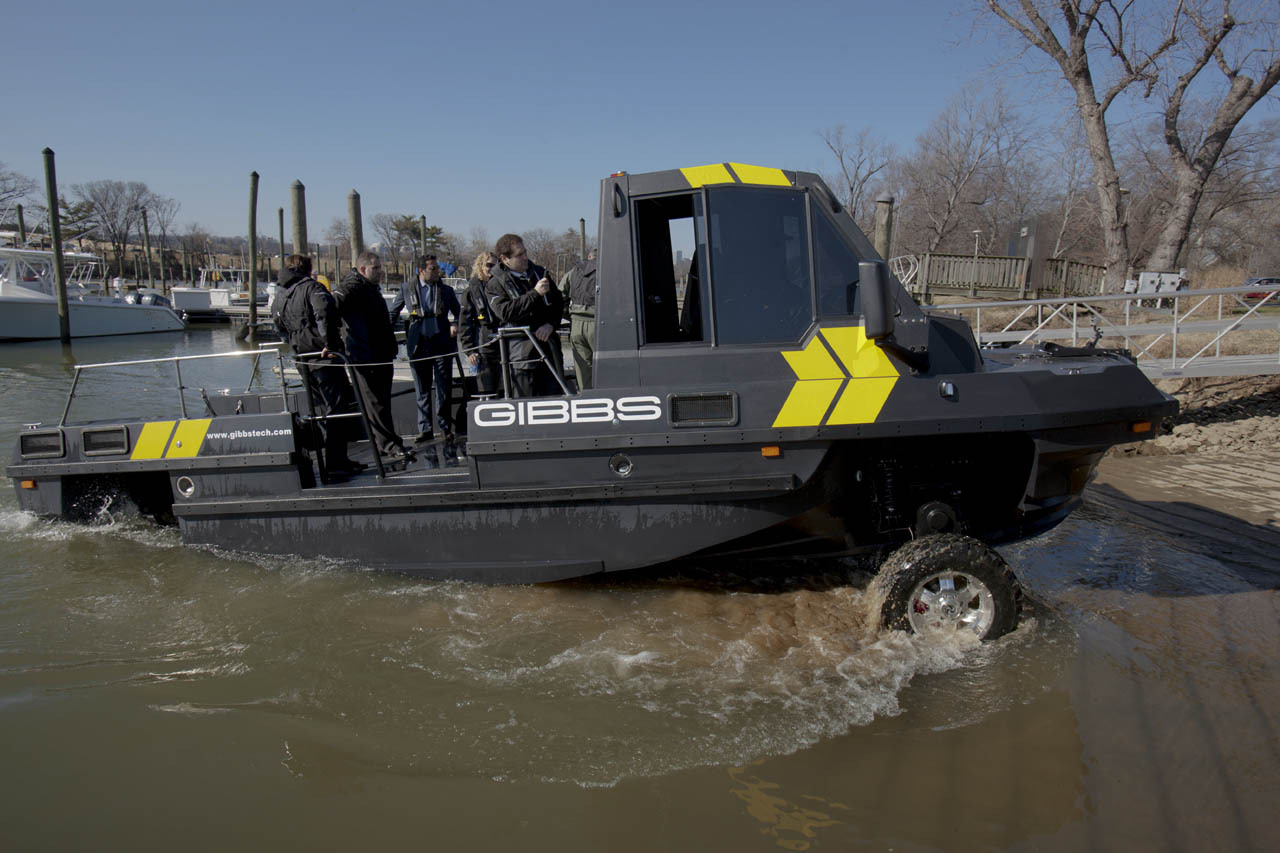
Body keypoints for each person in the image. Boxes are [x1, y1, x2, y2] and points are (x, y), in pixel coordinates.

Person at [269, 254, 363, 480]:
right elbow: (325, 314)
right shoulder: (312, 288)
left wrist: (294, 344)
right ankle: (335, 464)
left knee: (322, 410)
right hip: (324, 358)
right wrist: (329, 343)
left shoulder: (281, 295)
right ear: (308, 268)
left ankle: (337, 460)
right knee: (337, 409)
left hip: (302, 359)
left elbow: (277, 324)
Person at [334, 250, 411, 462]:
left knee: (383, 401)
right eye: (375, 268)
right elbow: (332, 307)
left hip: (380, 353)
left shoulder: (370, 287)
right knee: (375, 402)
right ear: (362, 269)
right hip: (364, 354)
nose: (380, 272)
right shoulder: (353, 286)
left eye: (380, 267)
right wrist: (335, 340)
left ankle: (389, 441)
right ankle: (387, 445)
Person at [389, 255, 461, 444]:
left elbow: (460, 313)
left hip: (441, 343)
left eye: (437, 268)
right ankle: (425, 428)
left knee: (443, 387)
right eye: (433, 269)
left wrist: (455, 324)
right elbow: (393, 313)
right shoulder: (407, 289)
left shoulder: (446, 290)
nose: (438, 272)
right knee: (422, 388)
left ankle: (445, 427)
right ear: (421, 271)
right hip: (418, 345)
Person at [486, 234, 565, 398]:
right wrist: (535, 293)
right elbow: (506, 312)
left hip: (549, 350)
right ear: (505, 259)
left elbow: (558, 304)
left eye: (525, 253)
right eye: (519, 255)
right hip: (521, 356)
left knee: (555, 401)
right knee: (525, 405)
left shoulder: (539, 273)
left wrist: (551, 324)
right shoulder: (495, 284)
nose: (525, 258)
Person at [459, 251, 501, 396]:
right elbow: (464, 324)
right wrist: (470, 350)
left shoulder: (501, 287)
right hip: (483, 345)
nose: (492, 269)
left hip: (502, 344)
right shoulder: (471, 291)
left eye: (496, 266)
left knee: (503, 389)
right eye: (489, 265)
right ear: (481, 266)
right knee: (486, 389)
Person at [561, 248, 597, 391]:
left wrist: (569, 315)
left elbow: (559, 296)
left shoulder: (573, 272)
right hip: (600, 324)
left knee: (583, 372)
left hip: (576, 324)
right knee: (607, 368)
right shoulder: (607, 271)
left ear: (588, 257)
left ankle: (587, 403)